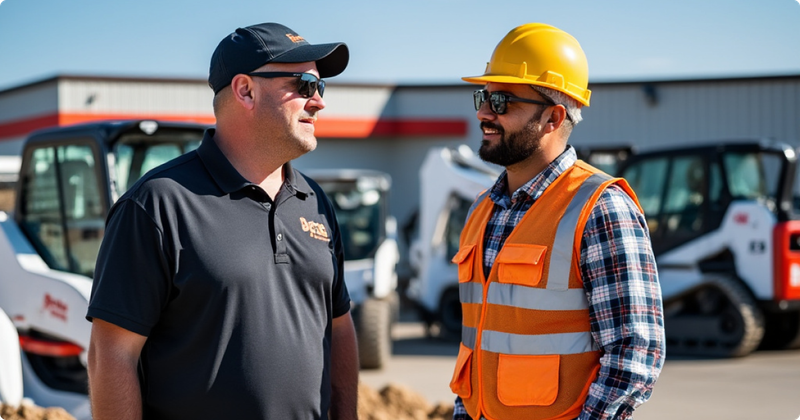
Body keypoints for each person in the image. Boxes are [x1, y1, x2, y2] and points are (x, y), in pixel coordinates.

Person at [86, 22, 358, 420]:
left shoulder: (315, 202)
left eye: (320, 87)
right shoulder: (157, 205)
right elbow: (111, 355)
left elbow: (339, 329)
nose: (318, 102)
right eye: (303, 85)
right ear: (245, 90)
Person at [449, 23, 665, 420]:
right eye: (482, 97)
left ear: (553, 117)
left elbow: (634, 355)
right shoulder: (482, 211)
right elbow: (476, 350)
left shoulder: (600, 208)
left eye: (502, 102)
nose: (483, 112)